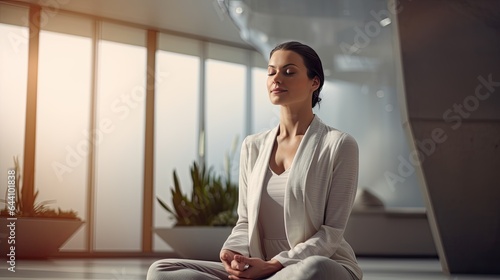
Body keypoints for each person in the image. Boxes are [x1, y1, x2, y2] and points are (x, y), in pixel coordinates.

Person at [147, 41, 362, 280]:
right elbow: (245, 220)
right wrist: (232, 252)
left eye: (289, 72)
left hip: (317, 266)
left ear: (315, 82)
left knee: (314, 269)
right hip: (260, 268)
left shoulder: (338, 144)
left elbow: (331, 233)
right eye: (271, 72)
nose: (276, 79)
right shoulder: (253, 145)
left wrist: (275, 264)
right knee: (161, 270)